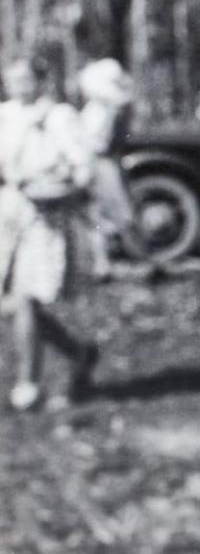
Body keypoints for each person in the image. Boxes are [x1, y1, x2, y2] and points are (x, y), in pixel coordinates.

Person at [0, 47, 100, 411]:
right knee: (14, 300)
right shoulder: (5, 116)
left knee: (28, 297)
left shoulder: (59, 116)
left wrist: (62, 187)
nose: (19, 87)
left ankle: (28, 384)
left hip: (48, 214)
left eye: (26, 79)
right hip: (11, 213)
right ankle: (79, 352)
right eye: (12, 80)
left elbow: (82, 166)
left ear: (41, 81)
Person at [78, 58, 141, 279]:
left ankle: (113, 259)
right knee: (103, 213)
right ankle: (103, 262)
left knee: (109, 212)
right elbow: (100, 141)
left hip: (106, 161)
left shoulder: (106, 109)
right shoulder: (101, 109)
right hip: (100, 162)